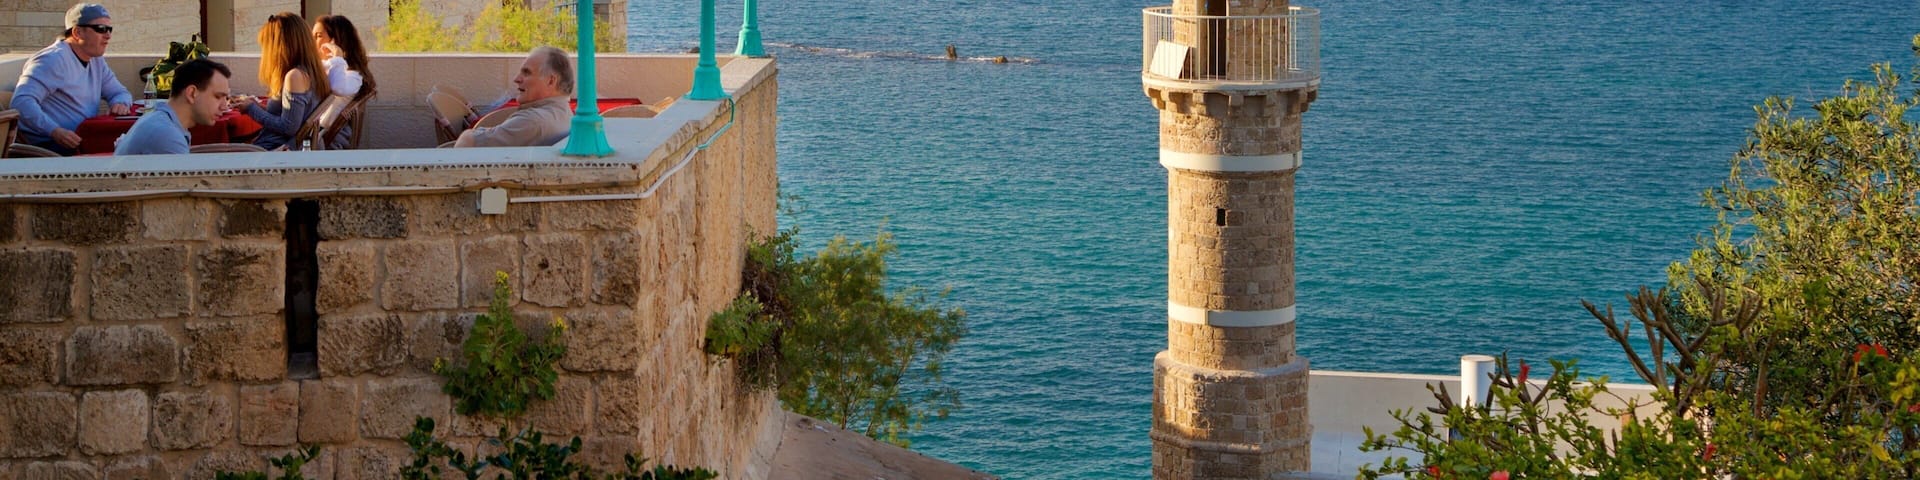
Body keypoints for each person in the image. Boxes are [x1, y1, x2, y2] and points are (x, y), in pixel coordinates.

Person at [11, 3, 133, 155]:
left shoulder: (95, 60)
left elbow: (119, 92)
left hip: (83, 139)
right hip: (52, 146)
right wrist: (55, 131)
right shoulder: (52, 60)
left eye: (109, 29)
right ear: (77, 32)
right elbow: (21, 102)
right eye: (101, 29)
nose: (108, 35)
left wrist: (120, 103)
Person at [232, 12, 330, 150]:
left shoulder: (295, 76)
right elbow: (295, 114)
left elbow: (288, 127)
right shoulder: (312, 71)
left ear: (279, 47)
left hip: (275, 151)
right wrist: (260, 107)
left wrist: (250, 109)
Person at [454, 46, 573, 148]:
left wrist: (467, 134)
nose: (516, 79)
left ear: (551, 81)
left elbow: (468, 143)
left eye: (526, 72)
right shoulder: (567, 116)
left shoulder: (532, 122)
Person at [114, 60, 232, 156]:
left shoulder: (158, 118)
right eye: (217, 97)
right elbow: (186, 185)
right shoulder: (167, 135)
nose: (224, 106)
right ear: (191, 93)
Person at [311, 15, 374, 98]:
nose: (312, 41)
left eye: (318, 36)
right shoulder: (322, 66)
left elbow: (338, 88)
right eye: (311, 36)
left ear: (336, 41)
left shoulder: (353, 76)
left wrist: (337, 55)